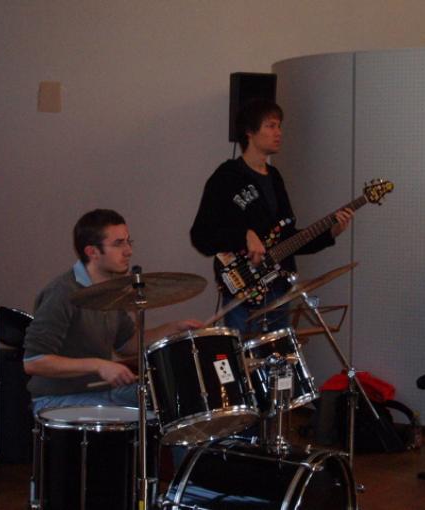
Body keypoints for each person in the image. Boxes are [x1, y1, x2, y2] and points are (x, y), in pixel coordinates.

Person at [190, 99, 352, 334]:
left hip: (279, 291)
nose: (279, 132)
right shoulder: (226, 177)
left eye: (279, 126)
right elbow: (201, 236)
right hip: (243, 293)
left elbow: (287, 239)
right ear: (250, 132)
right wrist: (244, 235)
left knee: (280, 357)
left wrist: (330, 233)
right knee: (246, 355)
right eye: (271, 126)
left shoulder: (274, 177)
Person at [23, 209, 202, 415]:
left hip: (100, 393)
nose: (128, 251)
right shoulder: (63, 292)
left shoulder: (110, 291)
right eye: (118, 244)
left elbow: (127, 345)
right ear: (92, 252)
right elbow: (34, 362)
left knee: (174, 396)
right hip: (57, 400)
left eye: (128, 242)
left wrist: (173, 328)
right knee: (154, 414)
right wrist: (99, 366)